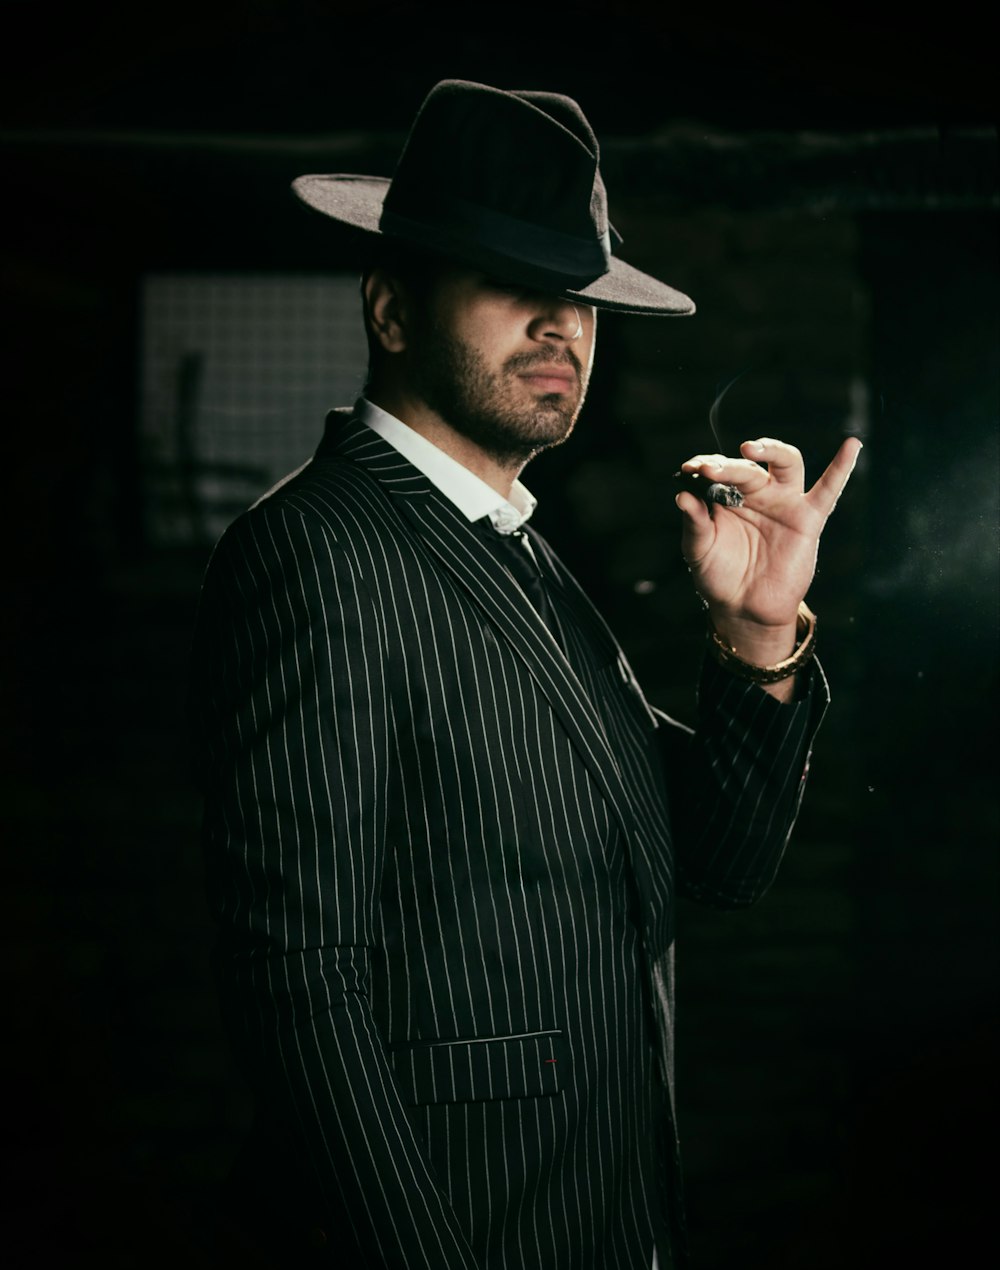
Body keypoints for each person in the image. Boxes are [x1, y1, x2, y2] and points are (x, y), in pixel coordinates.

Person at [188, 80, 861, 1270]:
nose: (562, 326)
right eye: (514, 285)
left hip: (606, 1219)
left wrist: (758, 634)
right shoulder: (319, 549)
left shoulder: (519, 557)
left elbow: (721, 861)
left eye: (581, 297)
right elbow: (299, 987)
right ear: (392, 309)